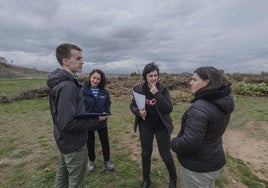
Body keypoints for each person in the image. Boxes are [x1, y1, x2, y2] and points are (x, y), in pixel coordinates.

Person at [47, 43, 108, 188]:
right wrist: (95, 119)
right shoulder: (67, 86)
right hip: (74, 143)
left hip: (64, 140)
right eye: (78, 58)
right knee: (76, 182)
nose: (82, 61)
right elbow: (67, 122)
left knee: (62, 178)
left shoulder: (62, 81)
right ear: (65, 61)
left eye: (82, 58)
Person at [170, 66, 235, 188]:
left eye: (194, 80)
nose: (190, 83)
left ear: (207, 82)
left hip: (198, 168)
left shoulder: (200, 108)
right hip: (214, 160)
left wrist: (173, 142)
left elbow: (190, 143)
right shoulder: (222, 101)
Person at [130, 62, 177, 188]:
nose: (153, 78)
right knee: (146, 154)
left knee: (165, 154)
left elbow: (168, 109)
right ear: (145, 77)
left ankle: (173, 179)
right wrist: (138, 113)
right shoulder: (138, 89)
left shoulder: (163, 89)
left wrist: (157, 93)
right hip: (146, 126)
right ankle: (146, 179)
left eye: (156, 75)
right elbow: (132, 106)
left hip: (162, 126)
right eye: (150, 76)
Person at [81, 69, 115, 172]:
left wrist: (106, 112)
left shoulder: (104, 92)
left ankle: (107, 160)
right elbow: (80, 106)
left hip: (102, 122)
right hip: (89, 122)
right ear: (90, 77)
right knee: (90, 142)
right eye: (94, 78)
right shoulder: (82, 91)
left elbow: (108, 103)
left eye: (98, 79)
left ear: (101, 80)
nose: (95, 80)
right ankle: (91, 160)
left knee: (105, 141)